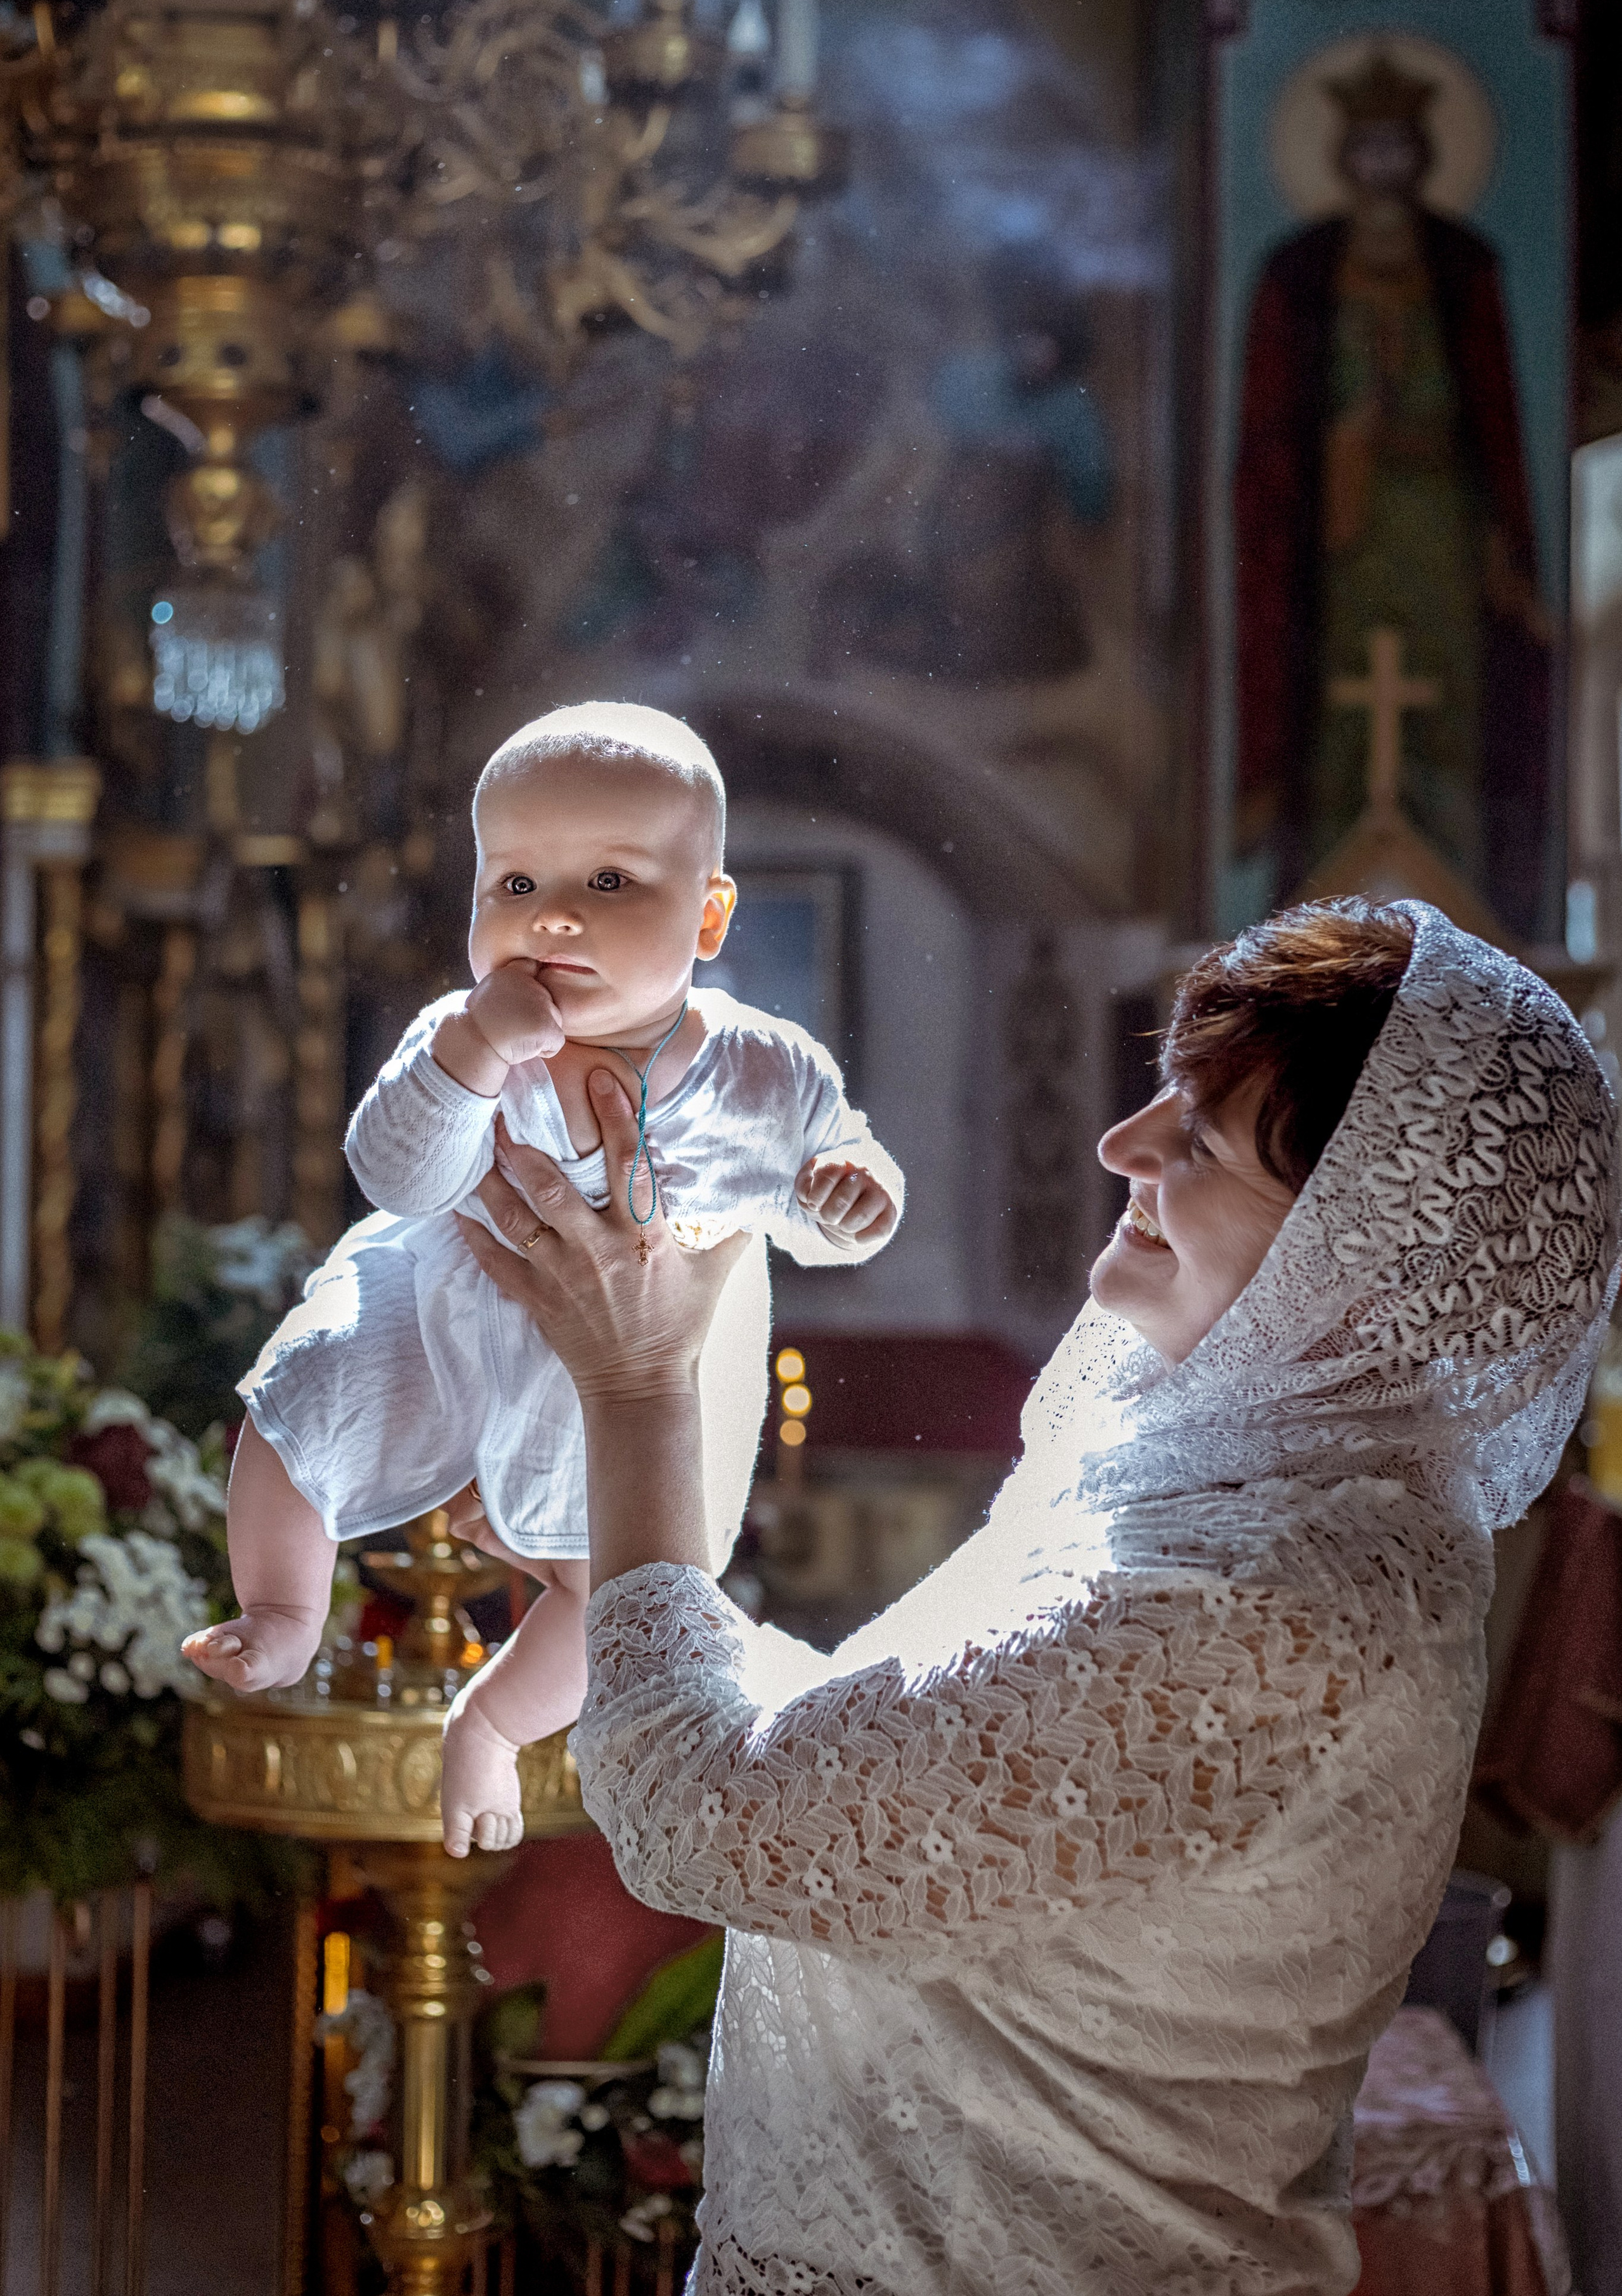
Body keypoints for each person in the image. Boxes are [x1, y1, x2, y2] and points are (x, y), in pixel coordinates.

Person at [457, 896, 1617, 2295]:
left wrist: (637, 1395)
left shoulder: (1270, 1601)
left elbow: (717, 1817)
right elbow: (891, 1750)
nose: (1118, 1146)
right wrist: (622, 1582)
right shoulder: (1227, 1489)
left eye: (1194, 1137)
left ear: (1360, 1259)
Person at [182, 701, 902, 1860]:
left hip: (614, 1370)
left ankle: (493, 1721)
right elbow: (395, 1176)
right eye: (513, 885)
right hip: (439, 1293)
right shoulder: (461, 1035)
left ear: (710, 915)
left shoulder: (762, 1069)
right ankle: (283, 1606)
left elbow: (829, 1197)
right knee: (294, 1409)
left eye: (611, 883)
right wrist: (473, 1051)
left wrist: (849, 1192)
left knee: (607, 1586)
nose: (552, 916)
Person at [1233, 52, 1550, 933]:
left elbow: (1492, 420)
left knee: (1446, 711)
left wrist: (1500, 544)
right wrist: (1343, 445)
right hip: (1339, 543)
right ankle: (1323, 923)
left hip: (1440, 536)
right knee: (1338, 712)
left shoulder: (1460, 265)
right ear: (1339, 155)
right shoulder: (1300, 271)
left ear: (1419, 154)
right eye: (1362, 149)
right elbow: (1270, 441)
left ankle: (1468, 911)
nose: (1380, 168)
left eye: (1395, 148)